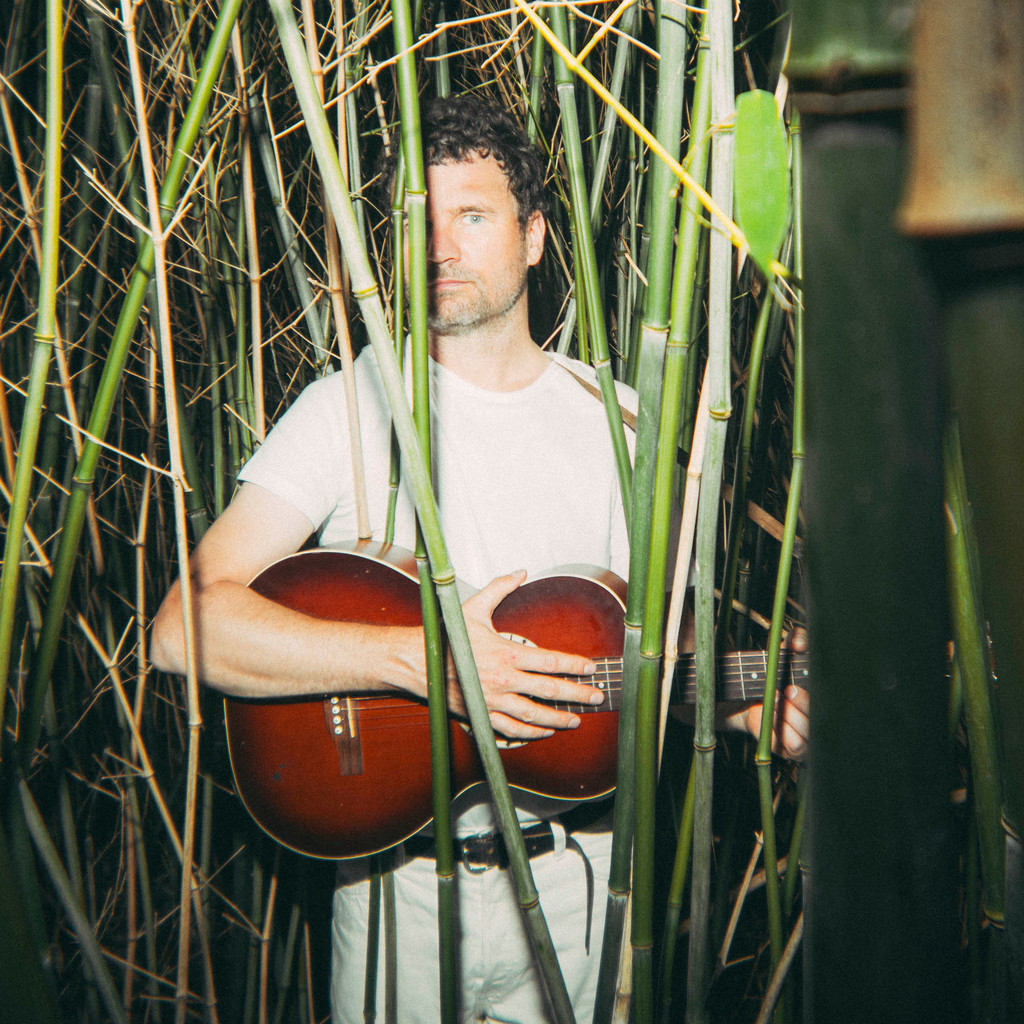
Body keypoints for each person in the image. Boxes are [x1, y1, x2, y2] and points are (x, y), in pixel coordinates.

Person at [151, 94, 809, 1024]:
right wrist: (424, 660)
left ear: (534, 236)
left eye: (471, 215)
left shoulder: (623, 418)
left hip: (587, 887)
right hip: (397, 897)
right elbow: (182, 630)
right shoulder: (350, 408)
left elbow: (645, 646)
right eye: (420, 219)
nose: (439, 248)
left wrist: (742, 701)